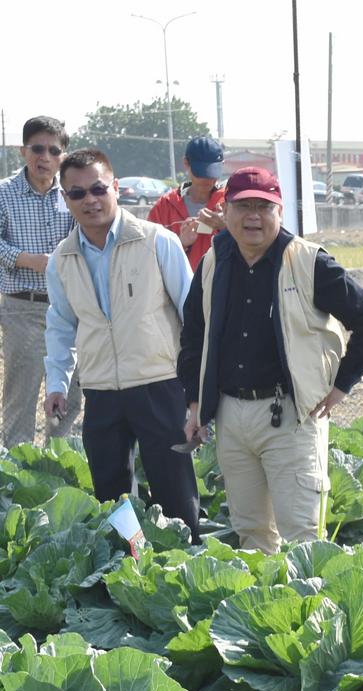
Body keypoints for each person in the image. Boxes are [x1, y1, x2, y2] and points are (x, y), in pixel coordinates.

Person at [178, 167, 363, 554]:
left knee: (302, 537)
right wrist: (195, 402)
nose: (253, 216)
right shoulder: (214, 260)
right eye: (243, 206)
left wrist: (341, 385)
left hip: (290, 415)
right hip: (231, 415)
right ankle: (264, 611)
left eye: (263, 207)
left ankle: (309, 612)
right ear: (226, 210)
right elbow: (193, 334)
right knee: (250, 533)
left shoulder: (309, 263)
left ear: (279, 212)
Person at [43, 148, 201, 541]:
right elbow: (61, 326)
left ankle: (186, 572)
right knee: (113, 499)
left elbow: (192, 315)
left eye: (98, 188)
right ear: (65, 199)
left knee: (175, 493)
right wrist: (58, 383)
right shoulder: (61, 260)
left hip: (159, 384)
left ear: (115, 187)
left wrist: (196, 390)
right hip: (101, 391)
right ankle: (129, 572)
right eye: (76, 193)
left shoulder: (156, 242)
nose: (90, 200)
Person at [0, 116, 82, 446]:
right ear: (23, 151)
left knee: (70, 397)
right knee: (21, 396)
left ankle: (58, 467)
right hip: (23, 309)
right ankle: (15, 479)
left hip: (69, 309)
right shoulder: (5, 193)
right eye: (37, 148)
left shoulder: (73, 194)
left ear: (63, 155)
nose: (44, 157)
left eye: (53, 150)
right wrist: (27, 260)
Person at [148, 135, 227, 270]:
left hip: (221, 288)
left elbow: (254, 249)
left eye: (212, 173)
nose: (206, 179)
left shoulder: (231, 203)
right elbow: (149, 256)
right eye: (200, 173)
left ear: (222, 166)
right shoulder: (164, 207)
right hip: (179, 289)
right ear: (186, 163)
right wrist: (180, 243)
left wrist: (227, 227)